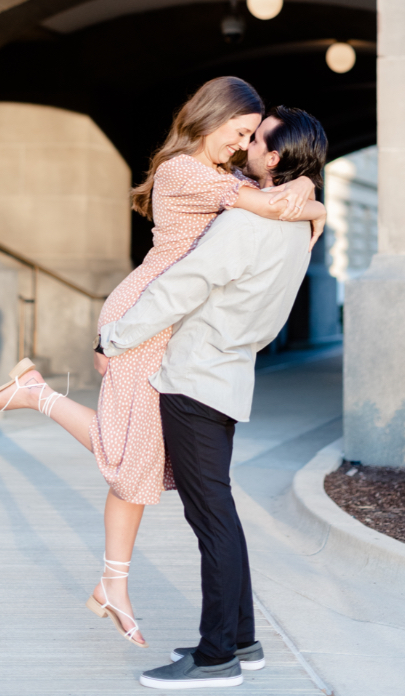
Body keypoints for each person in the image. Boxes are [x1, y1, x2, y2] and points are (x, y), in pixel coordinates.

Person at [0, 78, 325, 648]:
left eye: (249, 139)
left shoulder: (223, 175)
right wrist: (311, 201)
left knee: (135, 457)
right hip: (147, 314)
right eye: (240, 133)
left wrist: (307, 190)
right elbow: (269, 202)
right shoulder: (185, 171)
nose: (242, 147)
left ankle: (110, 579)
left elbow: (271, 193)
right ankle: (38, 398)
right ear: (214, 118)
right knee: (131, 458)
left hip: (166, 319)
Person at [94, 105, 327, 689]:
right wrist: (307, 188)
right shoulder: (300, 226)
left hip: (194, 379)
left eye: (258, 138)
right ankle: (243, 641)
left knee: (211, 522)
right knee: (220, 513)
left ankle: (216, 654)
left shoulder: (246, 223)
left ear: (272, 158)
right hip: (229, 378)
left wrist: (115, 337)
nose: (247, 144)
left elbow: (181, 286)